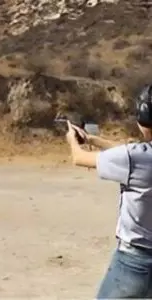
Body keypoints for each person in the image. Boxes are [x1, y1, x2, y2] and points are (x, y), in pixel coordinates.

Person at [65, 84, 152, 299]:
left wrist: (72, 140)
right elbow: (129, 152)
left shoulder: (135, 157)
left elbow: (79, 158)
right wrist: (93, 140)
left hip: (134, 261)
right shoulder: (137, 156)